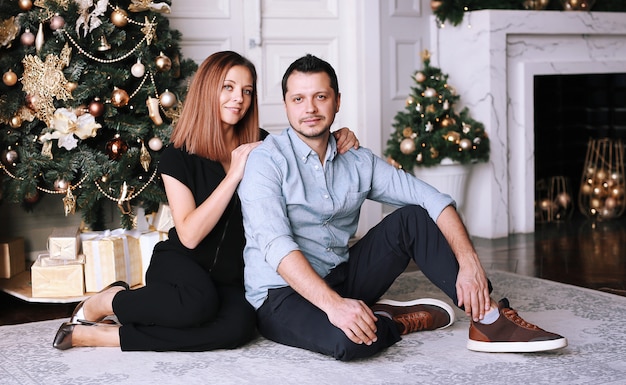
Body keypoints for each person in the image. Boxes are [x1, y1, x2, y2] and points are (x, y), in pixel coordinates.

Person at [238, 54, 568, 361]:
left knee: (414, 218)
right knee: (351, 342)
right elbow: (276, 246)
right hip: (280, 294)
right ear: (285, 105)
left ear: (337, 101)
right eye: (298, 99)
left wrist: (470, 264)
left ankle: (489, 319)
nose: (309, 108)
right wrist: (335, 306)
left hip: (340, 276)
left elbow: (433, 199)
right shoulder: (267, 161)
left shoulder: (357, 160)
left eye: (320, 97)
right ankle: (388, 318)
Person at [52, 51, 359, 351]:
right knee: (196, 304)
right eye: (228, 87)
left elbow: (307, 144)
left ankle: (99, 337)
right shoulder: (177, 155)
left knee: (239, 327)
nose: (238, 98)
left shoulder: (264, 144)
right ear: (207, 90)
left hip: (231, 277)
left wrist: (337, 135)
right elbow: (189, 235)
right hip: (181, 265)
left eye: (247, 91)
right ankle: (108, 300)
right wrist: (234, 174)